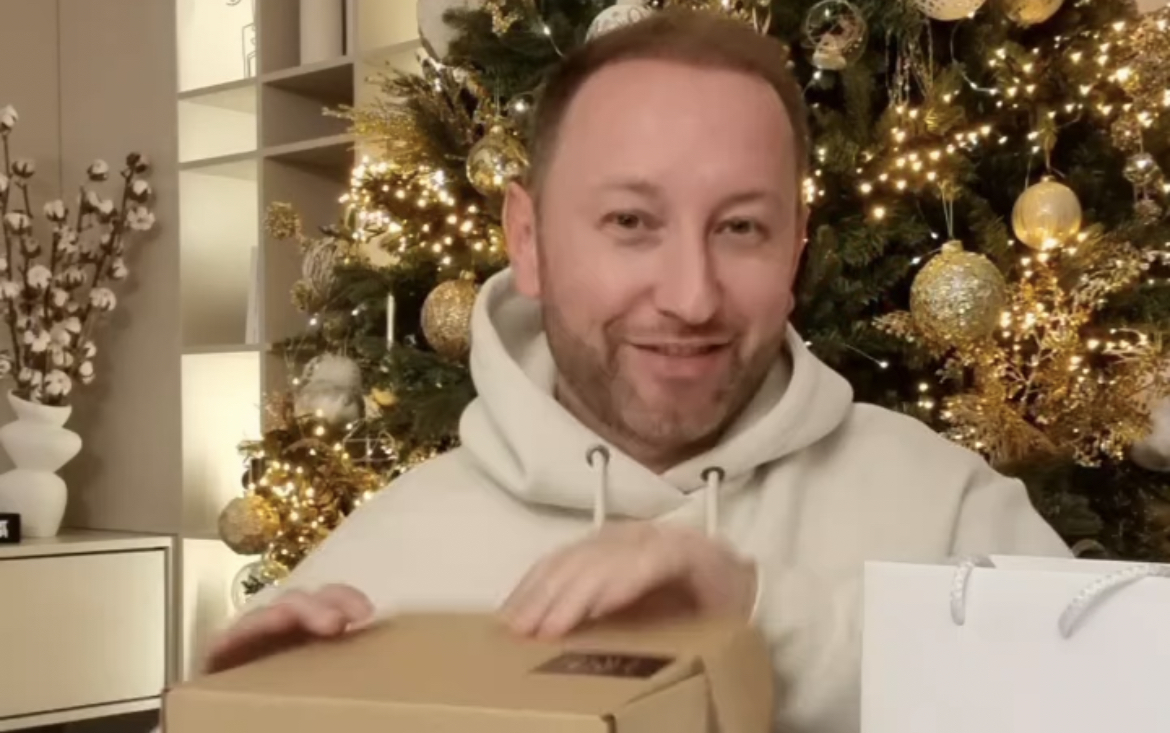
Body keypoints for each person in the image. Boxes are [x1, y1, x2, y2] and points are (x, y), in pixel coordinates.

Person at [203, 10, 1070, 733]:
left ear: (796, 246)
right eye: (630, 221)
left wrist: (766, 620)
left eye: (741, 227)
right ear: (528, 239)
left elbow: (1107, 700)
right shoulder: (382, 563)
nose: (691, 298)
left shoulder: (946, 507)